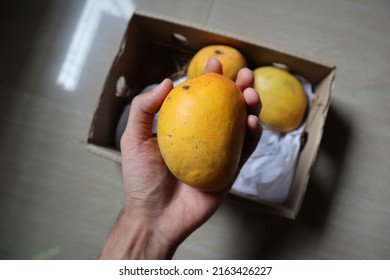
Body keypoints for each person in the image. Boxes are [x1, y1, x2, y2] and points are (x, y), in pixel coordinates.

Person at [98, 58, 262, 259]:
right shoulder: (222, 90)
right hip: (211, 170)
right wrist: (146, 220)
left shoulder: (191, 93)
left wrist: (144, 222)